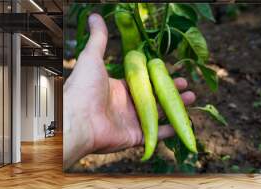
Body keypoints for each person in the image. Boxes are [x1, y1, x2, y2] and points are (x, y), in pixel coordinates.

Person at [63, 14, 196, 170]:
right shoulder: (139, 59)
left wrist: (75, 122)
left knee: (162, 81)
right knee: (163, 86)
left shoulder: (138, 59)